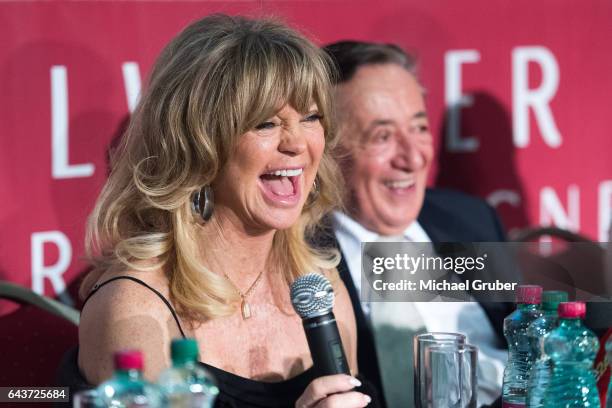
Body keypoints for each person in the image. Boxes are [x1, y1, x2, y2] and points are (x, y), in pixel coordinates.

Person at [75, 15, 377, 408]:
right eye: (265, 124)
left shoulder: (320, 287)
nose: (297, 143)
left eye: (311, 117)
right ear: (199, 146)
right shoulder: (134, 309)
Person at [320, 40, 513, 407]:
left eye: (419, 128)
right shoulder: (291, 258)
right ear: (327, 150)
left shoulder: (471, 219)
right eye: (383, 137)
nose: (412, 157)